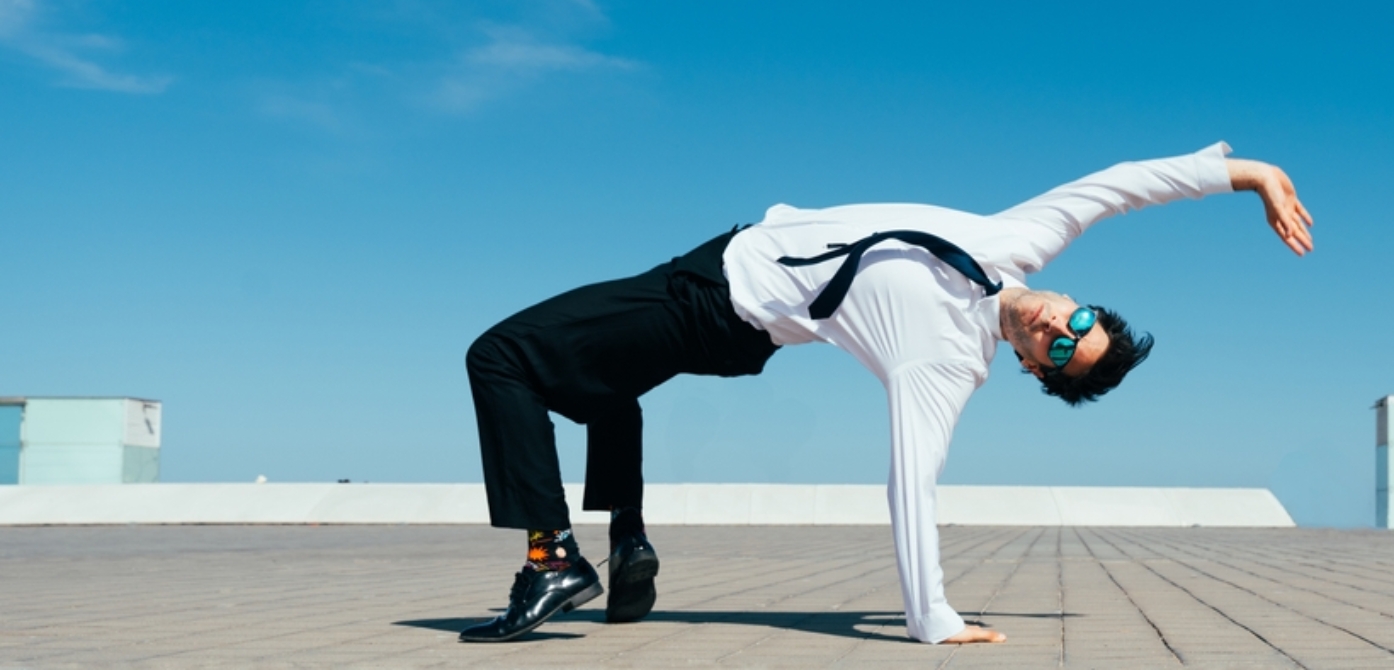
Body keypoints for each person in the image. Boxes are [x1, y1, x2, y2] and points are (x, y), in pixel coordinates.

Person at [459, 141, 1312, 645]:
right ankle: (629, 544)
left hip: (716, 307)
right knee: (603, 380)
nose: (1055, 324)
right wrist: (1253, 175)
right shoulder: (1022, 240)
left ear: (1032, 370)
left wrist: (932, 615)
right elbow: (1123, 185)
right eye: (1077, 318)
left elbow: (914, 483)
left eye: (1059, 350)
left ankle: (551, 560)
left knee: (500, 356)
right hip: (712, 264)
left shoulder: (944, 359)